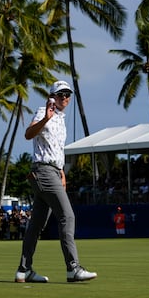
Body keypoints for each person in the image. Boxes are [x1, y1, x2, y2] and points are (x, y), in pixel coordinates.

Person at [14, 80, 97, 283]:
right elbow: (28, 134)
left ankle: (24, 270)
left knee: (37, 225)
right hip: (43, 171)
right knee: (67, 216)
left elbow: (56, 150)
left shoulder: (61, 119)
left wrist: (62, 172)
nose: (65, 98)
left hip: (52, 171)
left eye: (68, 95)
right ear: (52, 97)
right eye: (61, 94)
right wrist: (45, 119)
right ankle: (73, 268)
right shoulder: (43, 111)